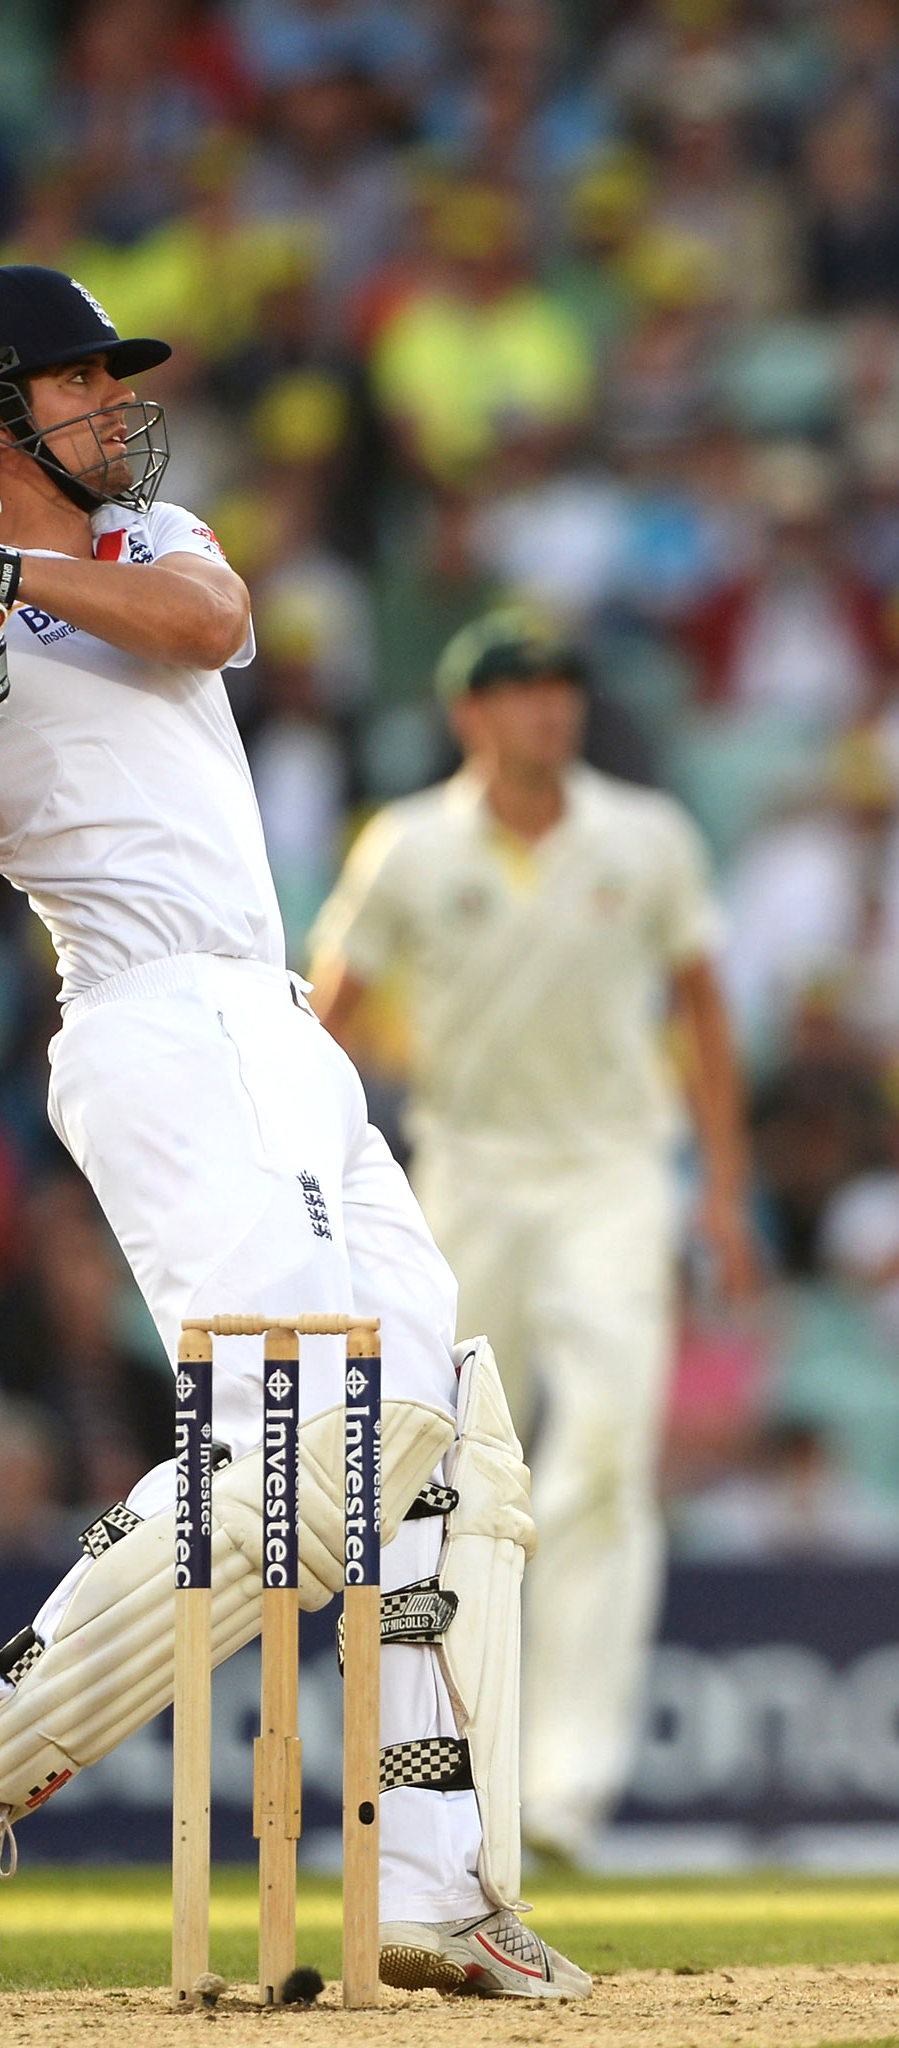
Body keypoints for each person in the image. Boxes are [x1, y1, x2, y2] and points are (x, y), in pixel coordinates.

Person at [0, 265, 590, 1998]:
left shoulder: (138, 536)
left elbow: (211, 623)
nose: (119, 410)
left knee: (440, 1426)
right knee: (338, 1430)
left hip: (278, 1024)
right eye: (83, 387)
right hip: (152, 1021)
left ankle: (430, 1877)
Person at [308, 606, 758, 1865]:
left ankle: (564, 1788)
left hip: (617, 1171)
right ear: (471, 714)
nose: (548, 708)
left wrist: (722, 1189)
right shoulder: (403, 846)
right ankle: (450, 1780)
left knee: (605, 1458)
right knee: (443, 1477)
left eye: (561, 688)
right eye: (520, 689)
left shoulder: (648, 837)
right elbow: (325, 1019)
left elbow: (707, 1009)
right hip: (465, 1173)